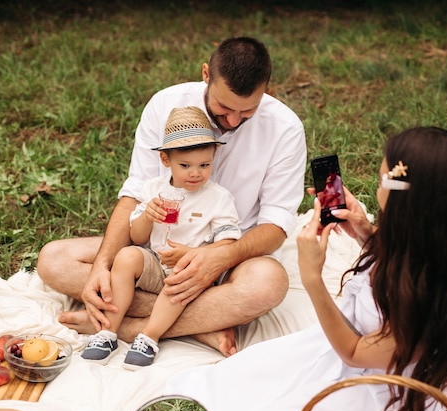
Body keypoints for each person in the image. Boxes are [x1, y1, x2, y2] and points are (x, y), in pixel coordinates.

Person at [164, 126, 447, 411]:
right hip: (343, 351)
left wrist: (312, 278)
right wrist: (364, 230)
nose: (377, 183)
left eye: (382, 180)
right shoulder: (441, 249)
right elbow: (403, 258)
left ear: (407, 204)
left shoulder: (426, 303)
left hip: (381, 389)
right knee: (240, 377)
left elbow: (352, 352)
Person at [37, 37, 307, 357]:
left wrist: (219, 258)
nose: (233, 120)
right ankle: (203, 322)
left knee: (269, 283)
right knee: (54, 260)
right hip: (157, 252)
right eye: (224, 107)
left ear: (267, 91)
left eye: (247, 110)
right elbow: (136, 192)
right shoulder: (165, 105)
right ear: (206, 74)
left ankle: (126, 327)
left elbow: (276, 224)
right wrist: (102, 265)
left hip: (230, 256)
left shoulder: (286, 128)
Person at [81, 106, 241, 370]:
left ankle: (149, 337)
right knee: (127, 255)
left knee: (179, 276)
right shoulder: (154, 189)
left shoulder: (217, 197)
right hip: (156, 262)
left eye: (205, 165)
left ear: (214, 157)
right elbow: (136, 236)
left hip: (191, 271)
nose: (196, 173)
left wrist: (192, 254)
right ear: (166, 160)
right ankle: (108, 332)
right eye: (185, 165)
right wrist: (147, 217)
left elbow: (228, 241)